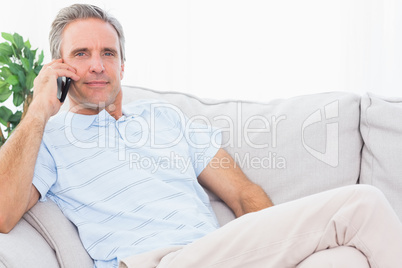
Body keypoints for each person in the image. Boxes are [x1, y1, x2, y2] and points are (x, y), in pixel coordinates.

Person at [0, 4, 401, 268]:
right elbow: (2, 214)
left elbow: (244, 194)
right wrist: (36, 111)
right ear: (60, 67)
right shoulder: (49, 137)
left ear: (124, 65)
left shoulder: (168, 119)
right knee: (362, 205)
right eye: (82, 54)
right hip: (154, 262)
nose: (98, 65)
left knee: (344, 258)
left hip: (213, 255)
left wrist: (281, 251)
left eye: (108, 53)